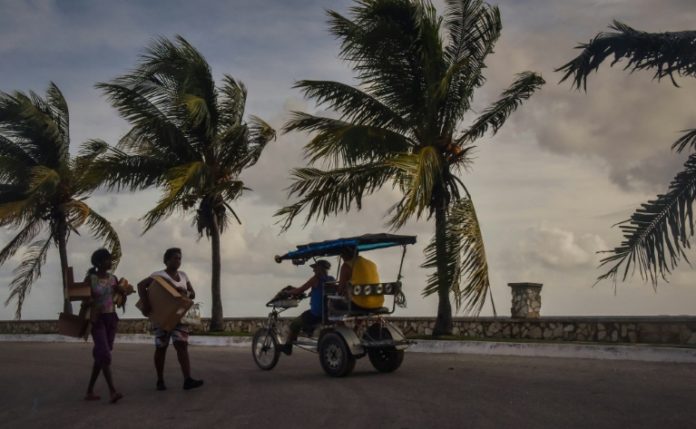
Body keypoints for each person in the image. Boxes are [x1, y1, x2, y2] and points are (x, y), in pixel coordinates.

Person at [137, 248, 204, 391]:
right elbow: (141, 285)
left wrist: (185, 292)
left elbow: (192, 294)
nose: (178, 261)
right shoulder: (158, 275)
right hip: (162, 317)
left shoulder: (184, 276)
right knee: (161, 347)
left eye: (179, 258)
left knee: (182, 345)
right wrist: (146, 305)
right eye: (174, 258)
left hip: (180, 317)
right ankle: (160, 380)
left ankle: (187, 379)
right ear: (166, 260)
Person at [84, 248, 124, 404]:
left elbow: (119, 301)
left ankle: (89, 391)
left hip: (111, 319)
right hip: (97, 319)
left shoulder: (114, 278)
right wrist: (91, 301)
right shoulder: (91, 279)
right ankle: (112, 391)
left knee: (101, 355)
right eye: (107, 259)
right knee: (105, 355)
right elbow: (84, 300)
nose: (110, 262)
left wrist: (122, 292)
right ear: (99, 262)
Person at [281, 259, 334, 355]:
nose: (313, 270)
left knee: (294, 324)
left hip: (316, 314)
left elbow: (300, 290)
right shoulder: (331, 279)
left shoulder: (315, 279)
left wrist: (287, 292)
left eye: (315, 268)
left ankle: (288, 347)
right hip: (327, 313)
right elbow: (323, 292)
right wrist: (312, 293)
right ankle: (308, 330)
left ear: (320, 268)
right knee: (306, 318)